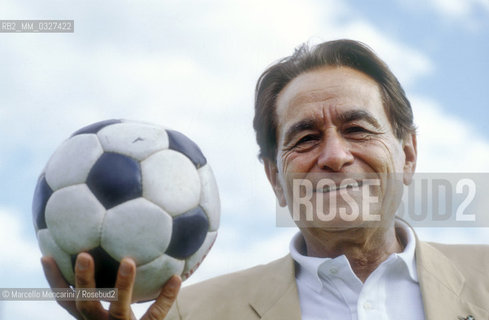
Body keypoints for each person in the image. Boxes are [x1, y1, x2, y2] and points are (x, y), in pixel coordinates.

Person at [42, 39, 489, 320]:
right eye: (306, 137)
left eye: (357, 129)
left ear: (407, 154)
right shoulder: (187, 315)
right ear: (275, 177)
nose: (334, 156)